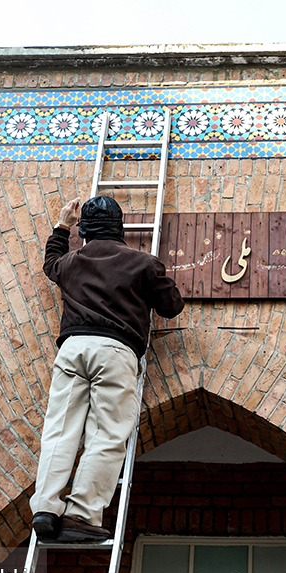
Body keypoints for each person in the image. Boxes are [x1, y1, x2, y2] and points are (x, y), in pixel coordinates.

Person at [31, 195, 185, 543]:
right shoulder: (142, 263)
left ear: (85, 231)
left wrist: (62, 226)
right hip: (115, 351)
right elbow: (171, 306)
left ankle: (45, 507)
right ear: (121, 229)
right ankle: (81, 514)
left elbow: (51, 262)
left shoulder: (71, 262)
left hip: (72, 349)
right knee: (106, 434)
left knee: (59, 431)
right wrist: (157, 277)